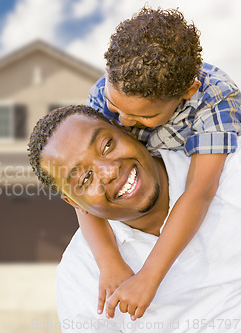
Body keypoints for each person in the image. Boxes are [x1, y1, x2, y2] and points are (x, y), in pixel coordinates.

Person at [81, 7, 241, 319]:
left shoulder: (216, 98)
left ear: (187, 92)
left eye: (144, 116)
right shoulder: (102, 93)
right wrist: (108, 260)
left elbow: (200, 190)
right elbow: (81, 189)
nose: (123, 121)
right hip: (142, 187)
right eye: (116, 107)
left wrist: (149, 277)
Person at [28, 105, 241, 332]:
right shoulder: (80, 275)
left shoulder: (229, 170)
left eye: (107, 146)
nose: (109, 171)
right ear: (74, 204)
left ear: (128, 131)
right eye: (85, 178)